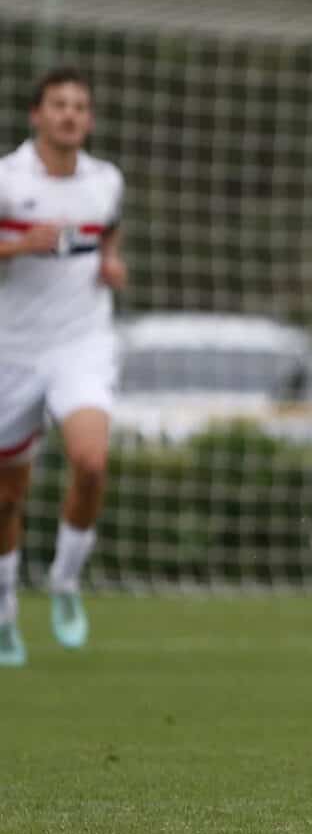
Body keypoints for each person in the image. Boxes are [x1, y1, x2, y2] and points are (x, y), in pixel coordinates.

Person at [0, 68, 128, 666]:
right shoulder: (7, 179)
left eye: (80, 105)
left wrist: (111, 262)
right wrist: (19, 245)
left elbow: (108, 237)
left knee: (91, 462)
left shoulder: (106, 182)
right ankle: (4, 616)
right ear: (37, 115)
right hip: (13, 350)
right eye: (59, 105)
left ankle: (66, 582)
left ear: (90, 119)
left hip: (81, 343)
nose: (71, 114)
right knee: (6, 497)